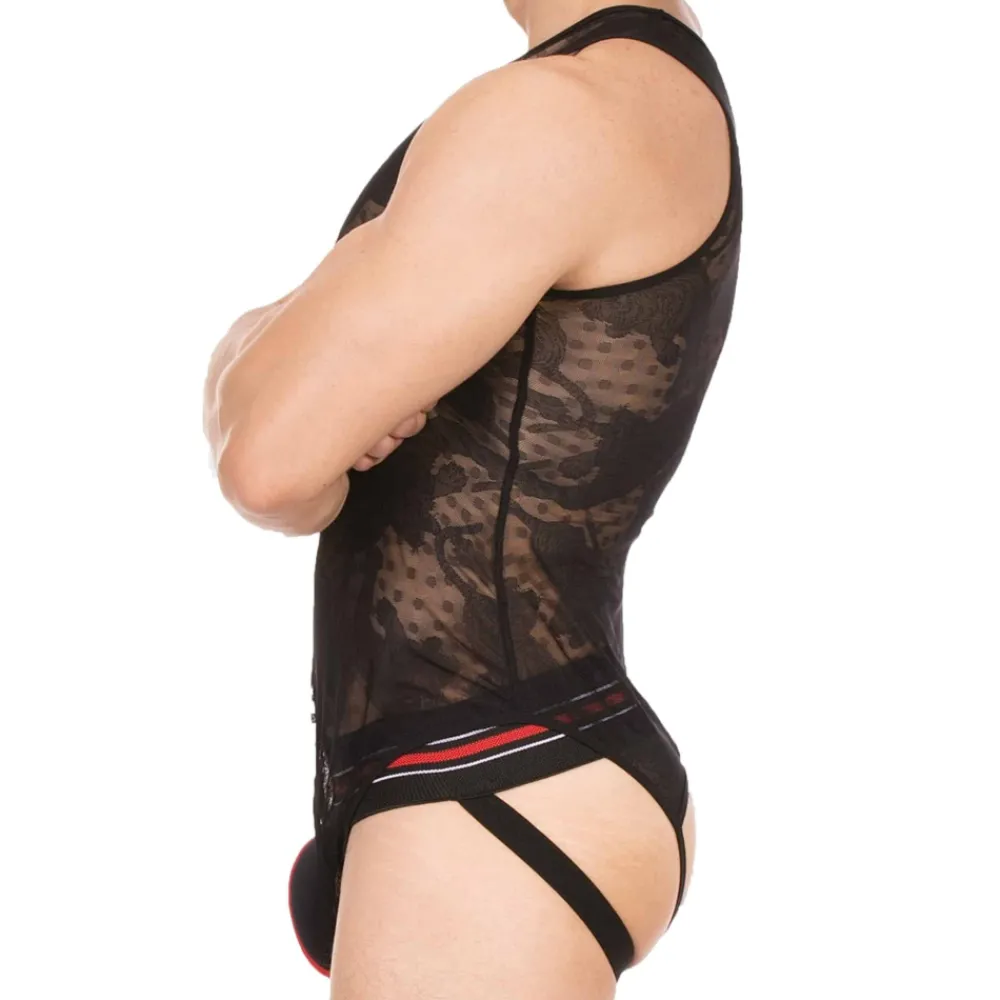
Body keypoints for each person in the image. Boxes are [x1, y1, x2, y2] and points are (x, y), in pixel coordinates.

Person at [202, 2, 741, 996]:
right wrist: (259, 357)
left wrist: (253, 354)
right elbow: (278, 432)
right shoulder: (635, 87)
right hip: (507, 761)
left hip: (490, 775)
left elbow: (267, 464)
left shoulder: (556, 112)